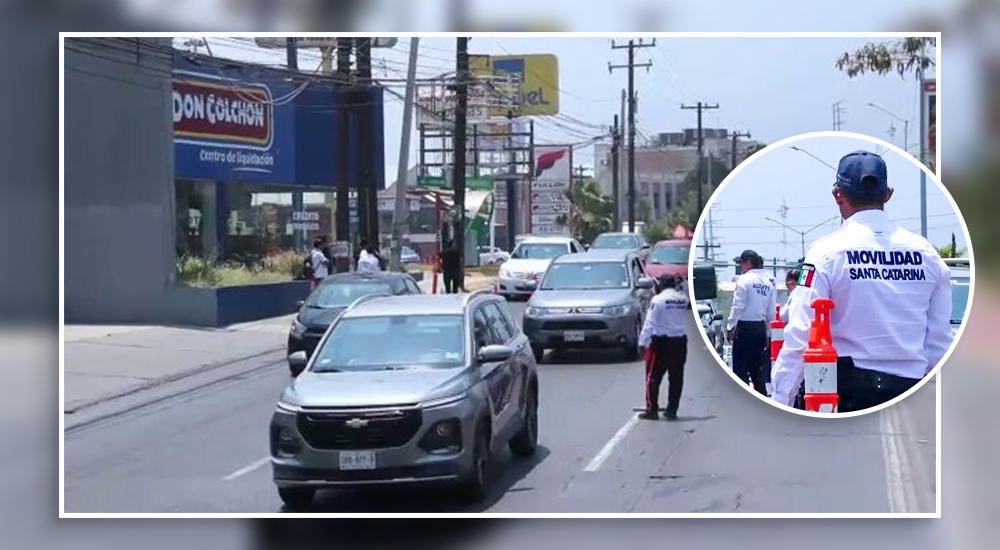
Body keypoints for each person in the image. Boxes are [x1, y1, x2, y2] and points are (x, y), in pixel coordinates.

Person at [770, 150, 952, 412]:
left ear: (837, 194)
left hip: (847, 395)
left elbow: (801, 334)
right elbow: (939, 342)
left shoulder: (825, 253)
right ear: (887, 194)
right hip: (913, 392)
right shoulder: (927, 254)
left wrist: (780, 401)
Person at [638, 274, 690, 420]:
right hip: (679, 342)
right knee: (676, 378)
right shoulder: (682, 299)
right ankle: (672, 410)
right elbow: (687, 294)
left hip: (661, 342)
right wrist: (684, 282)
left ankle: (652, 409)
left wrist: (642, 342)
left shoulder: (658, 300)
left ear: (661, 285)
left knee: (653, 377)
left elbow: (650, 323)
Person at [726, 249, 776, 396]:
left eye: (741, 263)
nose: (740, 266)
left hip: (744, 328)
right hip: (759, 328)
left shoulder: (744, 280)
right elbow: (770, 313)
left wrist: (730, 326)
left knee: (741, 369)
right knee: (758, 369)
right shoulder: (768, 283)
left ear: (748, 263)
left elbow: (737, 306)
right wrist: (767, 334)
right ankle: (761, 396)